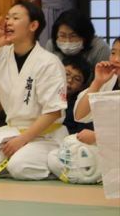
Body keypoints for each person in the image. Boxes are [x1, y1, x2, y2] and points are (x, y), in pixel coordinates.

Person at [0, 0, 67, 181]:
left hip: (45, 136)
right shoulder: (2, 54)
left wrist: (24, 139)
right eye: (7, 18)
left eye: (15, 18)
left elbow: (53, 111)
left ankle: (55, 164)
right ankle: (14, 164)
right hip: (13, 132)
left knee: (19, 166)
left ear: (33, 26)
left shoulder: (48, 62)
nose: (8, 23)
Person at [48, 38, 119, 183]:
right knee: (56, 157)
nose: (116, 59)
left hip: (110, 145)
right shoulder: (109, 81)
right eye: (113, 53)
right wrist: (97, 82)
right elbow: (80, 115)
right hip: (107, 148)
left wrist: (98, 137)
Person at [45, 9, 110, 74]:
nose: (67, 41)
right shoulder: (51, 45)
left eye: (73, 36)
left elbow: (104, 77)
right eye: (62, 35)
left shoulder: (100, 48)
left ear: (85, 36)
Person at [61, 56, 93, 135]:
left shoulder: (79, 108)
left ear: (82, 87)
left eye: (77, 79)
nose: (69, 80)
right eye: (67, 74)